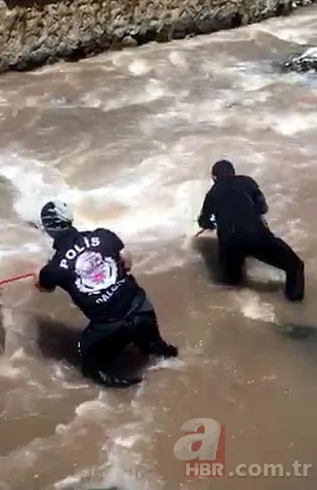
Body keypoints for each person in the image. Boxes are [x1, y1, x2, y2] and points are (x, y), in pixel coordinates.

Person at [35, 200, 178, 388]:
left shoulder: (53, 268)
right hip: (142, 309)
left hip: (111, 328)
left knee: (88, 364)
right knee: (159, 351)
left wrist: (39, 273)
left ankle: (127, 388)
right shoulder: (104, 236)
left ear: (48, 228)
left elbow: (44, 287)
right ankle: (168, 357)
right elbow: (127, 262)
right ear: (70, 219)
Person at [197, 160, 304, 302]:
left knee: (231, 284)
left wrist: (212, 224)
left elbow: (203, 221)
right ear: (233, 173)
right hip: (256, 237)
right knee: (295, 266)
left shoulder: (211, 194)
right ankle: (295, 306)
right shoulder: (247, 182)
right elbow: (262, 207)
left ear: (214, 178)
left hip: (230, 244)